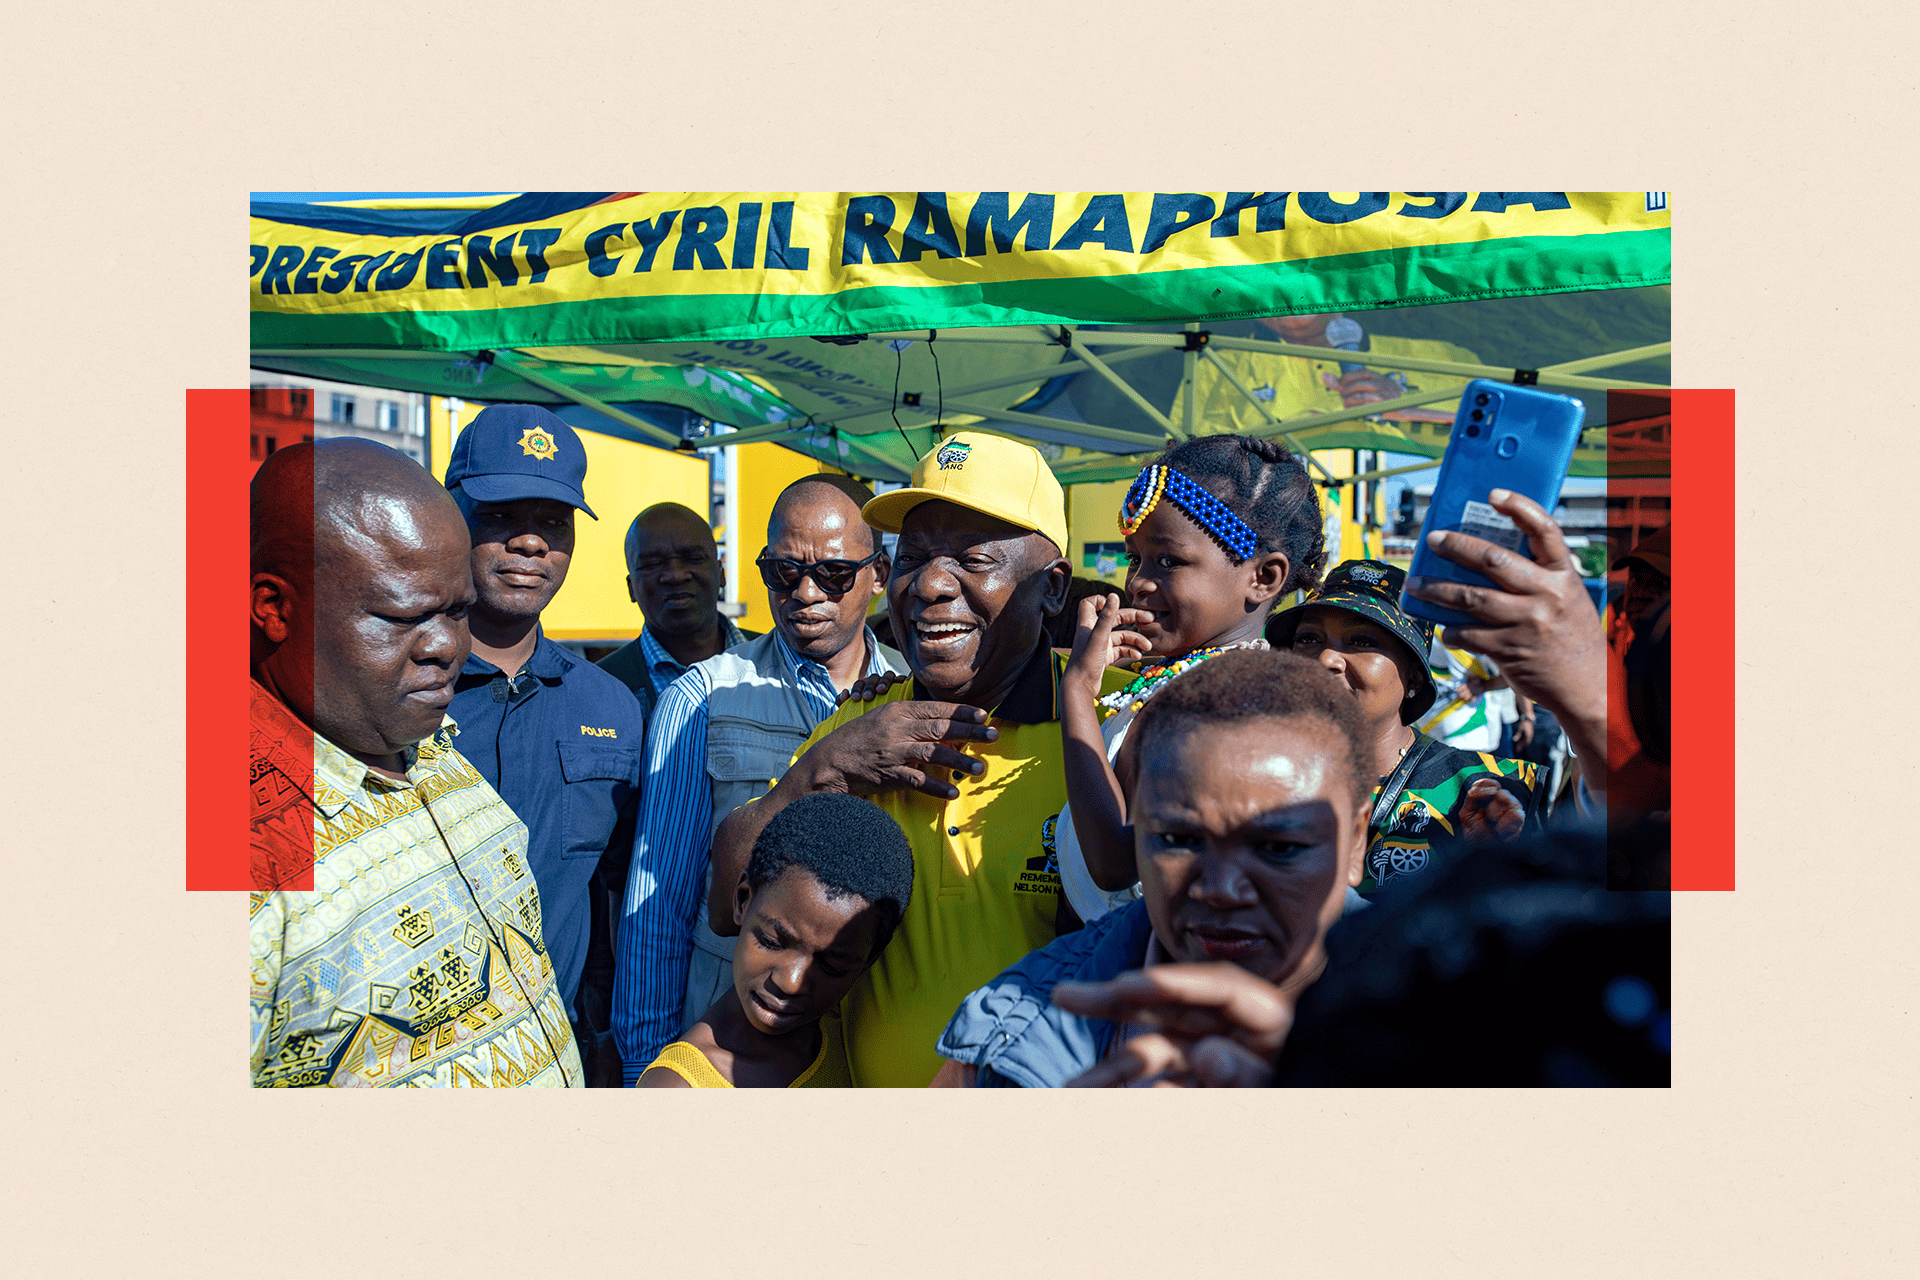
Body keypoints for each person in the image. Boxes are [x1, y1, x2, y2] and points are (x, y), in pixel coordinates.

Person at [703, 431, 1132, 1088]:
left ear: (1051, 589)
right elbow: (730, 906)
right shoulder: (860, 726)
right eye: (914, 558)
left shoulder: (1106, 729)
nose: (930, 584)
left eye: (973, 558)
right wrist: (822, 769)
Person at [248, 439, 581, 1087]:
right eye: (404, 616)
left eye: (458, 611)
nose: (447, 647)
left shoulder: (430, 742)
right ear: (274, 607)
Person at [932, 649, 1369, 1087]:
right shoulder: (1010, 1028)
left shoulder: (1431, 1038)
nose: (1221, 888)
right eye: (1179, 840)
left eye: (1278, 847)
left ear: (1355, 840)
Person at [612, 473, 904, 1083]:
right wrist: (646, 1065)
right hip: (737, 1053)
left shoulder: (911, 695)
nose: (805, 591)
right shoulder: (704, 696)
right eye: (783, 572)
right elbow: (658, 904)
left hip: (875, 1041)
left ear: (877, 573)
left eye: (833, 574)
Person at [441, 404, 645, 1087]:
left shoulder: (611, 706)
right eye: (501, 517)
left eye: (553, 525)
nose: (530, 544)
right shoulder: (390, 695)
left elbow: (614, 899)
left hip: (551, 1061)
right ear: (449, 516)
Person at [1056, 434, 1329, 925]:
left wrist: (1076, 690)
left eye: (1169, 561)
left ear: (1263, 578)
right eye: (1134, 558)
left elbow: (1116, 863)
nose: (1137, 581)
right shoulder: (1184, 683)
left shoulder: (1229, 702)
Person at [1268, 559, 1539, 894]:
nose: (1326, 659)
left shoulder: (1493, 792)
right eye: (1308, 639)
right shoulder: (1253, 777)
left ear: (1413, 675)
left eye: (1362, 641)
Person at [637, 793, 914, 1088]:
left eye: (832, 966)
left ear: (868, 959)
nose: (791, 982)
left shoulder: (846, 1034)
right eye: (771, 941)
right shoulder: (678, 1088)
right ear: (743, 900)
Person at [596, 502, 760, 716]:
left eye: (693, 558)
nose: (675, 575)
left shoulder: (781, 663)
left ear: (721, 574)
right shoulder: (600, 687)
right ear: (631, 588)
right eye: (653, 563)